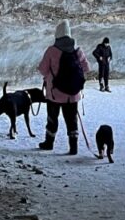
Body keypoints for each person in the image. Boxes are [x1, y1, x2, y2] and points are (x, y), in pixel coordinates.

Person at [37, 20, 90, 155]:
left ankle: (49, 143)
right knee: (72, 120)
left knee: (52, 119)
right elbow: (86, 68)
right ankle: (73, 147)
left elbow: (43, 69)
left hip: (54, 93)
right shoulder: (77, 50)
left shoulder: (52, 50)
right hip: (73, 94)